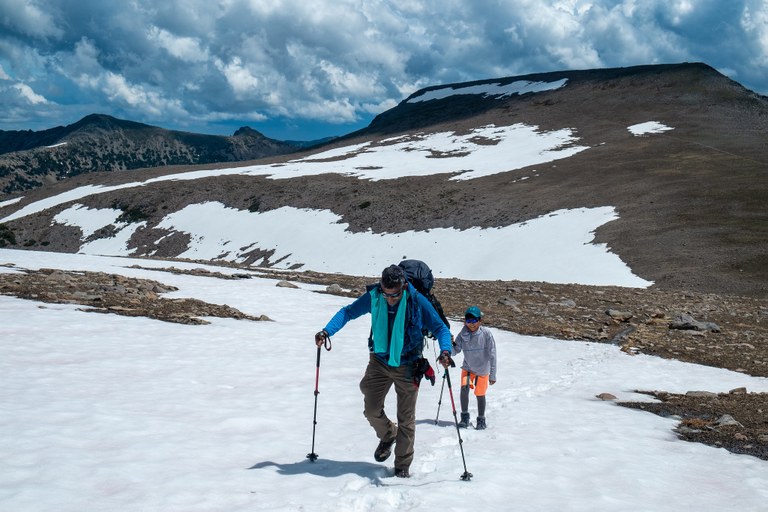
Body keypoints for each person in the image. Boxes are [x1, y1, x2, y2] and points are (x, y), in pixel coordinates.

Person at [314, 264, 453, 478]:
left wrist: (445, 351)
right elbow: (348, 312)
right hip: (378, 360)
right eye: (386, 293)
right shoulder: (374, 295)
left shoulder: (417, 301)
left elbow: (441, 328)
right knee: (370, 408)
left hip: (408, 364)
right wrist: (326, 331)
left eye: (395, 295)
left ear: (403, 286)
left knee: (406, 418)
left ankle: (402, 467)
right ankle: (388, 434)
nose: (389, 298)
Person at [452, 306, 497, 430]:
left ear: (480, 321)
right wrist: (449, 345)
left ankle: (481, 419)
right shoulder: (463, 334)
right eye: (468, 321)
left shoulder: (486, 334)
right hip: (468, 369)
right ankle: (464, 417)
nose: (471, 324)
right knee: (464, 389)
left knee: (480, 394)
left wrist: (493, 374)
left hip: (483, 370)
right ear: (465, 321)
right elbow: (455, 351)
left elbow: (493, 354)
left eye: (474, 321)